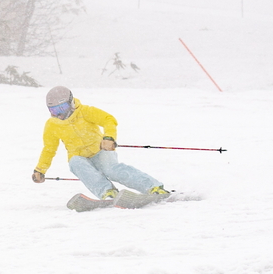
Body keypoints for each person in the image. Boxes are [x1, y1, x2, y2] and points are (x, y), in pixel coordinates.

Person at [31, 86, 169, 201]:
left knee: (111, 169)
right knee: (75, 163)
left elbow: (108, 119)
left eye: (62, 108)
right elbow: (49, 149)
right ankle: (107, 192)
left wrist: (108, 138)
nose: (58, 114)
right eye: (54, 110)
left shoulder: (85, 112)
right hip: (79, 156)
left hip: (100, 150)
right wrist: (40, 170)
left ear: (71, 103)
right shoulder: (52, 125)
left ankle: (153, 187)